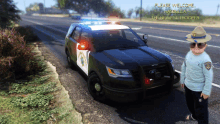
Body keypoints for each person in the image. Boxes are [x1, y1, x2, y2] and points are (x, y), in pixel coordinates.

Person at [180, 26, 213, 124]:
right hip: (188, 86)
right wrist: (182, 80)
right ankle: (194, 115)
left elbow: (208, 76)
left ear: (205, 45)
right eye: (193, 44)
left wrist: (206, 91)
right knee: (190, 105)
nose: (196, 48)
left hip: (199, 90)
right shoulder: (189, 54)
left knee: (201, 111)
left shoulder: (205, 59)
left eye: (200, 45)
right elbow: (183, 66)